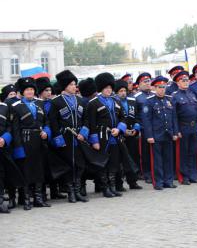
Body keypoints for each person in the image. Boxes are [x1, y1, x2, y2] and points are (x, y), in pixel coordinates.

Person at [11, 77, 52, 210]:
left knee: (39, 170)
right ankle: (27, 200)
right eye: (27, 90)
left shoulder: (39, 103)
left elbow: (46, 121)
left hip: (39, 141)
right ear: (22, 92)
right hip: (25, 141)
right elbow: (15, 129)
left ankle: (39, 199)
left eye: (31, 89)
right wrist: (18, 148)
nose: (30, 92)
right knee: (27, 171)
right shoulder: (16, 107)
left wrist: (46, 131)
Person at [49, 70, 89, 203]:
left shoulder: (81, 100)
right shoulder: (56, 102)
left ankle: (77, 191)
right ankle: (71, 192)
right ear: (65, 85)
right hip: (65, 137)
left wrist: (84, 133)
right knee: (69, 165)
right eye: (72, 84)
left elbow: (86, 119)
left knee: (80, 164)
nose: (74, 87)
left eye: (75, 84)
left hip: (79, 137)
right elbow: (53, 122)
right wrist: (58, 138)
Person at [88, 72, 127, 198]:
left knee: (114, 163)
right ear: (101, 89)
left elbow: (123, 117)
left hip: (114, 137)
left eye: (110, 88)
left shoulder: (116, 101)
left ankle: (113, 187)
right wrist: (94, 141)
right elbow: (91, 124)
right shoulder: (93, 103)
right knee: (103, 163)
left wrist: (119, 129)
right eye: (106, 88)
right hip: (101, 137)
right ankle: (105, 188)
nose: (109, 90)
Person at [143, 76, 178, 190]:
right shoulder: (149, 101)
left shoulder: (169, 99)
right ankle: (158, 182)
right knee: (157, 160)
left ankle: (169, 180)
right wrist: (149, 136)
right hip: (156, 135)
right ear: (154, 88)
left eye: (164, 87)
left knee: (169, 159)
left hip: (168, 134)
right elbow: (146, 120)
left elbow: (173, 118)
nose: (162, 89)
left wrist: (175, 132)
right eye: (160, 87)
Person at [171, 70, 197, 185]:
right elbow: (173, 116)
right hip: (183, 127)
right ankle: (184, 176)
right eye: (182, 80)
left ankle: (193, 175)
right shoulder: (174, 96)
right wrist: (177, 130)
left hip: (194, 127)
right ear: (178, 83)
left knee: (193, 152)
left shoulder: (192, 94)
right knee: (183, 153)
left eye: (186, 80)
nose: (185, 82)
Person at [133, 72, 154, 183]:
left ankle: (154, 171)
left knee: (155, 151)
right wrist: (138, 128)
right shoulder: (136, 97)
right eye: (145, 81)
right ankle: (146, 173)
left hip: (155, 128)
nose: (147, 83)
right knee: (145, 152)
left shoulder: (154, 94)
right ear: (139, 84)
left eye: (149, 81)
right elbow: (134, 115)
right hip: (143, 128)